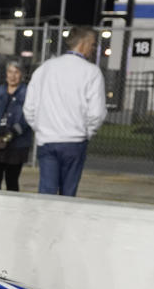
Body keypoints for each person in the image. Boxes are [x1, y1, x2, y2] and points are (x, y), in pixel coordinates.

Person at [23, 26, 107, 197]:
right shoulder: (91, 72)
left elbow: (29, 107)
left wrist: (40, 129)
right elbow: (97, 113)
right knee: (68, 195)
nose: (93, 49)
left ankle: (44, 223)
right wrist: (86, 132)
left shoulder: (45, 69)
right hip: (74, 142)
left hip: (47, 140)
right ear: (83, 44)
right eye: (92, 45)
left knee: (46, 193)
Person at [0, 60, 32, 191]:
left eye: (16, 72)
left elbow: (26, 120)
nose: (12, 76)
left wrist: (6, 139)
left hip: (16, 146)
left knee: (12, 182)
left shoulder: (27, 93)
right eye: (10, 72)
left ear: (22, 74)